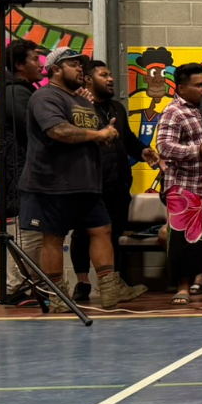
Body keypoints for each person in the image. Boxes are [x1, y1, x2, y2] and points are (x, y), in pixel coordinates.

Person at [17, 49, 147, 310]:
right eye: (73, 65)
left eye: (80, 65)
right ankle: (58, 295)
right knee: (53, 238)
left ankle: (110, 289)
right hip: (51, 182)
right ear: (55, 69)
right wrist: (99, 135)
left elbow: (96, 132)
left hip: (86, 181)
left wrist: (107, 134)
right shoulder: (45, 97)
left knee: (102, 230)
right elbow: (58, 131)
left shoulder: (83, 101)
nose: (79, 69)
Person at [67, 60, 155, 301]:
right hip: (90, 181)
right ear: (87, 80)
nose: (110, 79)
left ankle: (113, 285)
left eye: (110, 75)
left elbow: (127, 139)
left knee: (113, 233)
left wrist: (143, 152)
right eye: (104, 75)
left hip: (118, 182)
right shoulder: (79, 108)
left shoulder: (116, 107)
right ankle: (82, 283)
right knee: (82, 233)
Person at [154, 62, 202, 305]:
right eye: (198, 85)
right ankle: (182, 287)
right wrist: (199, 149)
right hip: (183, 183)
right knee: (182, 239)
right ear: (181, 88)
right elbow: (165, 146)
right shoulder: (174, 111)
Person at [0, 39, 49, 304]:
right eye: (34, 59)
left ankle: (30, 286)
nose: (40, 64)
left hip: (25, 175)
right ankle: (14, 288)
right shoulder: (16, 93)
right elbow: (35, 130)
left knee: (33, 235)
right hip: (20, 177)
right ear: (19, 65)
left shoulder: (22, 91)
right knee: (26, 235)